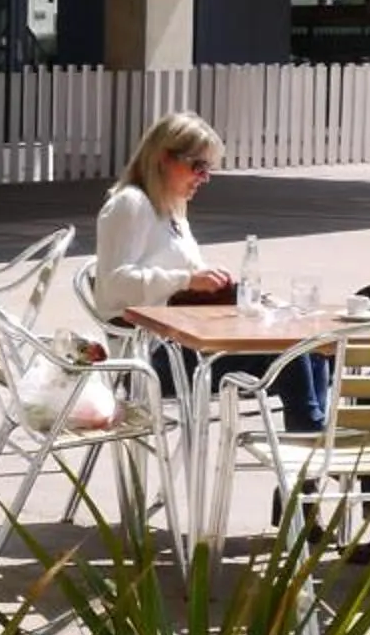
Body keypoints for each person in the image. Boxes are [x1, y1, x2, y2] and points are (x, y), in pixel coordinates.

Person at [94, 112, 329, 431]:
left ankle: (309, 454)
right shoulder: (131, 204)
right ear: (165, 158)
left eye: (208, 169)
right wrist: (188, 280)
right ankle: (312, 442)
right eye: (198, 167)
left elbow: (188, 278)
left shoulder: (172, 210)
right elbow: (112, 286)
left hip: (182, 342)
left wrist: (231, 290)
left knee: (310, 350)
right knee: (290, 352)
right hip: (151, 357)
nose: (204, 178)